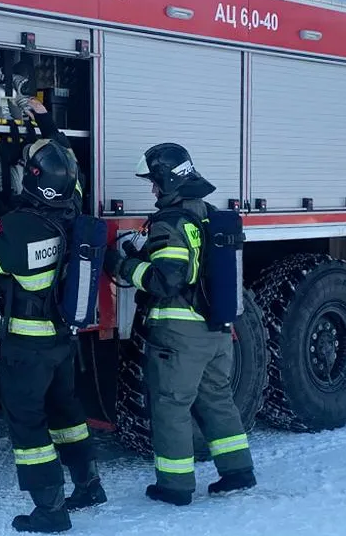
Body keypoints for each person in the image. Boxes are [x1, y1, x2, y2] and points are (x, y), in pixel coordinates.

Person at [0, 101, 105, 534]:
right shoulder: (71, 207)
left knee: (29, 423)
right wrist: (43, 120)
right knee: (66, 411)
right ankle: (89, 484)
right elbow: (63, 160)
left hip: (26, 346)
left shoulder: (19, 229)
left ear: (34, 180)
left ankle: (50, 510)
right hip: (60, 339)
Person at [104, 143, 256, 506]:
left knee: (171, 405)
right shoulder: (205, 213)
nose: (153, 191)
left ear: (168, 181)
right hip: (216, 331)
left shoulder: (170, 221)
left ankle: (174, 486)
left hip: (179, 335)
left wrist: (122, 266)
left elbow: (166, 280)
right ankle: (238, 471)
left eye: (155, 183)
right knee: (217, 399)